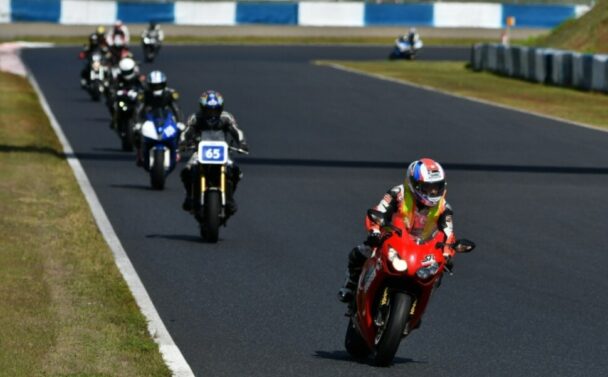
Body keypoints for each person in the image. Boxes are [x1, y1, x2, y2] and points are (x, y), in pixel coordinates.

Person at [338, 158, 455, 304]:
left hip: (422, 247)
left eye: (436, 187)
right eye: (427, 187)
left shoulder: (444, 207)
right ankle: (350, 285)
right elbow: (380, 210)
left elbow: (448, 233)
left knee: (436, 273)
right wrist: (375, 231)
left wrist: (448, 253)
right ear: (415, 184)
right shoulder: (397, 192)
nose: (433, 192)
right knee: (360, 252)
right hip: (394, 238)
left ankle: (420, 302)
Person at [179, 90, 249, 219]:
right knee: (186, 170)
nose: (212, 114)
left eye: (215, 110)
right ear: (202, 108)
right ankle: (189, 196)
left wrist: (242, 143)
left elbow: (236, 131)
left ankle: (230, 198)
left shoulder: (226, 117)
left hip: (222, 151)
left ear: (221, 108)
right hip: (199, 151)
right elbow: (186, 131)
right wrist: (183, 142)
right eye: (208, 110)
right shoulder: (195, 117)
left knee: (236, 171)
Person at [134, 70, 183, 164]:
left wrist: (179, 122)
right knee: (136, 132)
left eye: (159, 85)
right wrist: (137, 123)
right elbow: (138, 109)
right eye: (154, 85)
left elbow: (176, 109)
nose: (156, 88)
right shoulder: (145, 94)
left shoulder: (169, 93)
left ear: (164, 84)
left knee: (179, 130)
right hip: (149, 117)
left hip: (166, 117)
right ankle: (140, 152)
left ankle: (176, 150)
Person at [107, 57, 144, 125]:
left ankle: (141, 119)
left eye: (129, 71)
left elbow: (143, 87)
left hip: (133, 97)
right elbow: (111, 87)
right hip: (122, 97)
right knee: (110, 102)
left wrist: (141, 93)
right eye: (125, 72)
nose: (127, 74)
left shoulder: (137, 78)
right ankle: (115, 117)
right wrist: (112, 92)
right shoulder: (118, 78)